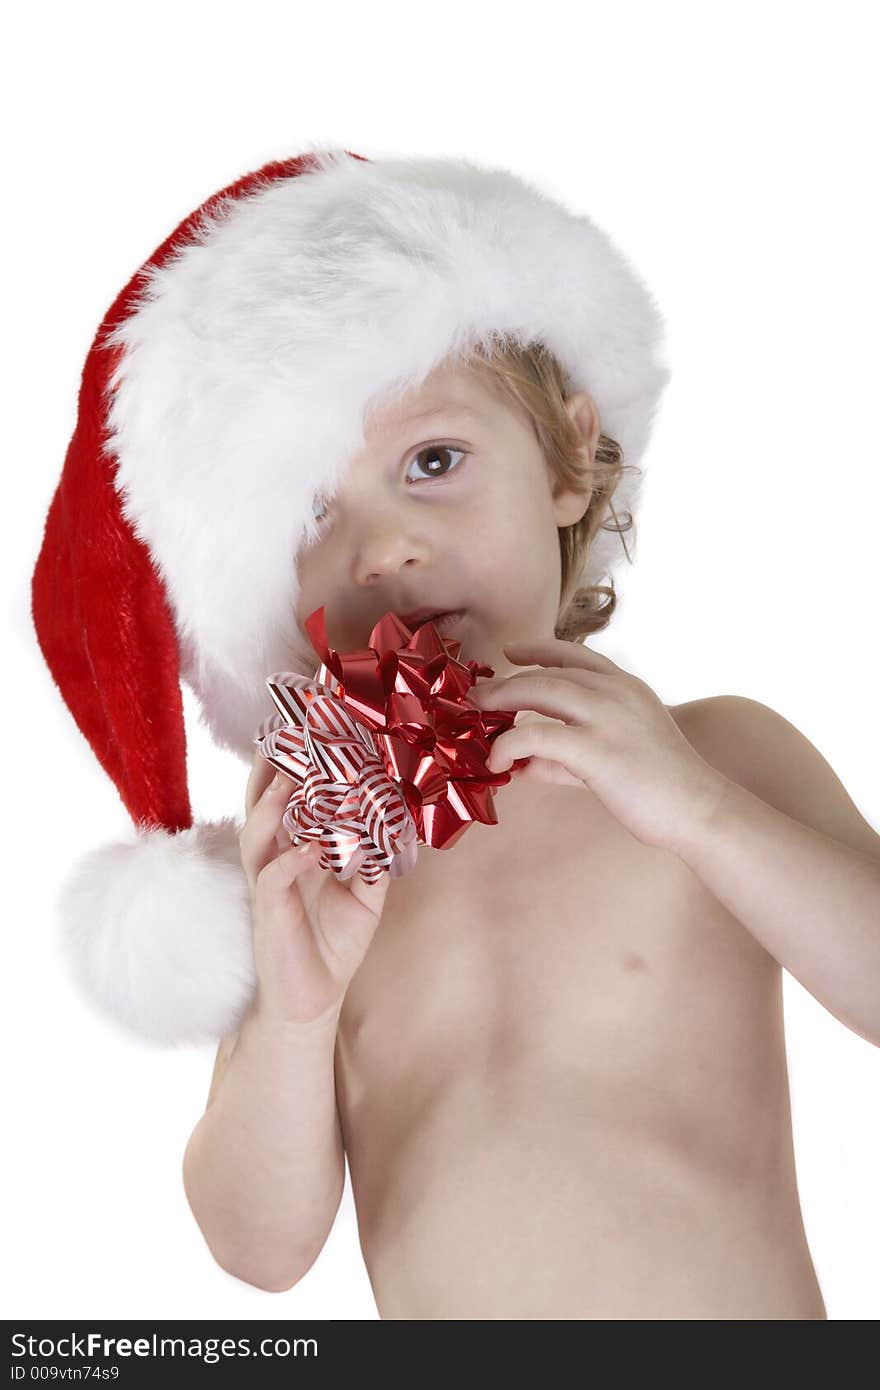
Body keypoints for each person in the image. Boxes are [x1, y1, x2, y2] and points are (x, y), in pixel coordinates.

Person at [32, 147, 880, 1319]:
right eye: (310, 514)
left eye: (433, 461)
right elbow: (256, 1247)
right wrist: (296, 1008)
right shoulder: (309, 871)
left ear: (571, 460)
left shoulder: (718, 755)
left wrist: (699, 812)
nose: (384, 550)